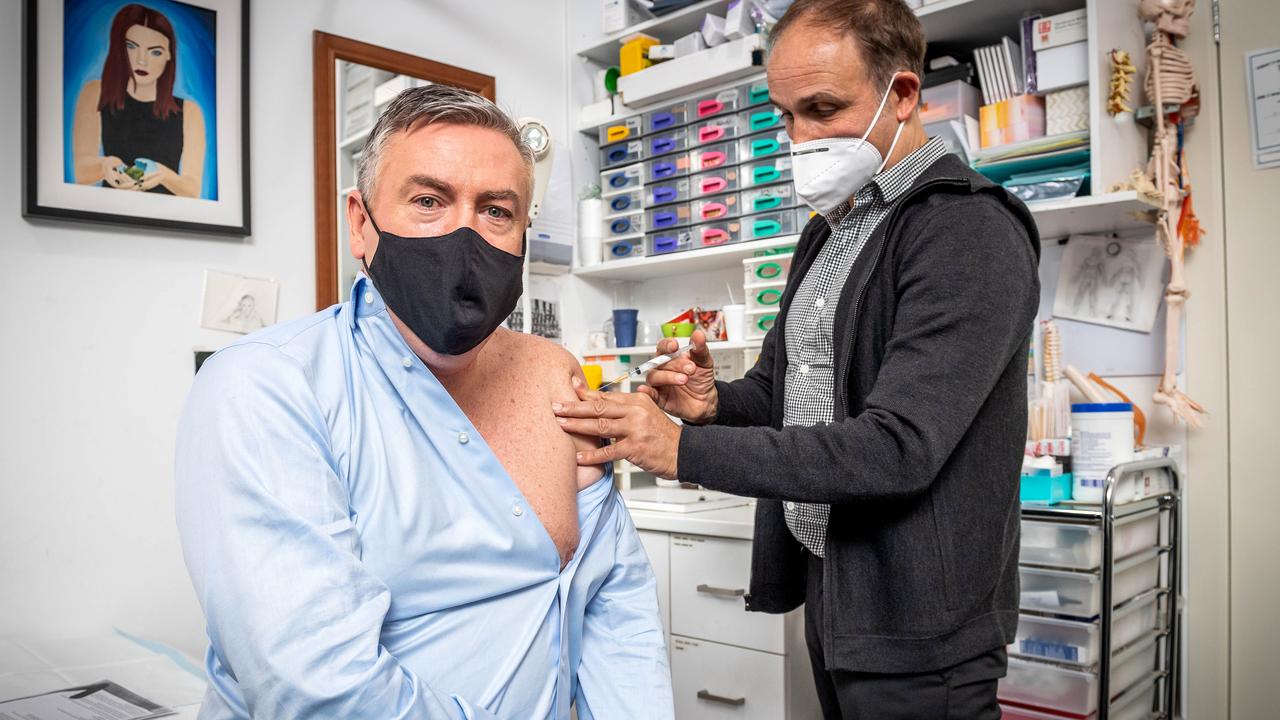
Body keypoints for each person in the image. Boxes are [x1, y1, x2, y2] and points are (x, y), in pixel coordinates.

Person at [553, 0, 1041, 717]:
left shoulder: (965, 230)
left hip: (920, 623)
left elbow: (897, 448)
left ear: (903, 95)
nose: (799, 138)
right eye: (786, 115)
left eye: (822, 107)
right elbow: (784, 395)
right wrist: (713, 404)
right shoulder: (829, 232)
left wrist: (681, 449)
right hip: (836, 591)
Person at [175, 85, 672, 719]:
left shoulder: (552, 375)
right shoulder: (266, 386)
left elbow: (612, 594)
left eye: (496, 211)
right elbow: (321, 687)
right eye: (429, 201)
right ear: (361, 223)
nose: (464, 238)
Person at [72, 3, 206, 197]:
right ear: (119, 48)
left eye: (155, 51)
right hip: (110, 212)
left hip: (167, 218)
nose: (142, 60)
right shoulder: (96, 92)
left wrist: (164, 176)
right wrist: (106, 165)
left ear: (169, 55)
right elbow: (80, 171)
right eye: (131, 47)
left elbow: (193, 189)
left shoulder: (189, 111)